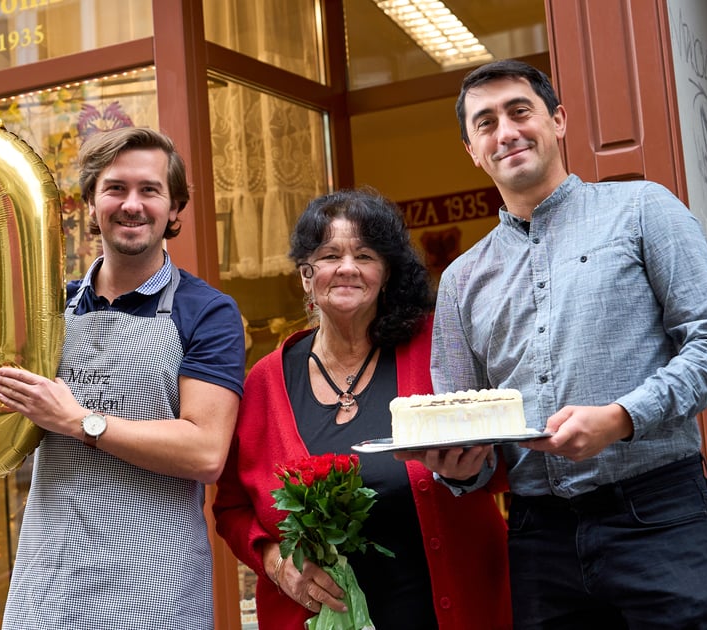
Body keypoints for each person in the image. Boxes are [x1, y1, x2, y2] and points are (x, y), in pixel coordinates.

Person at [410, 59, 707, 628]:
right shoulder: (461, 280)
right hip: (538, 535)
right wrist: (460, 467)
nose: (507, 132)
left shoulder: (644, 209)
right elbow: (466, 419)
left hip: (658, 514)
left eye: (520, 112)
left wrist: (621, 417)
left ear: (559, 120)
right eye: (486, 123)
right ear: (472, 149)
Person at [0, 126, 246, 628]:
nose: (131, 204)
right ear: (91, 205)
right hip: (49, 577)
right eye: (115, 188)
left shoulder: (206, 312)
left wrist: (78, 421)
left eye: (150, 190)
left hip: (154, 583)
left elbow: (205, 451)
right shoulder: (43, 312)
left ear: (175, 208)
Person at [213, 188, 512, 630]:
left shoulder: (438, 345)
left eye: (366, 255)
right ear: (305, 275)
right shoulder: (264, 382)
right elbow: (232, 508)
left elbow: (506, 453)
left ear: (386, 273)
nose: (348, 268)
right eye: (330, 255)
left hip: (452, 612)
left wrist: (472, 470)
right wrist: (275, 562)